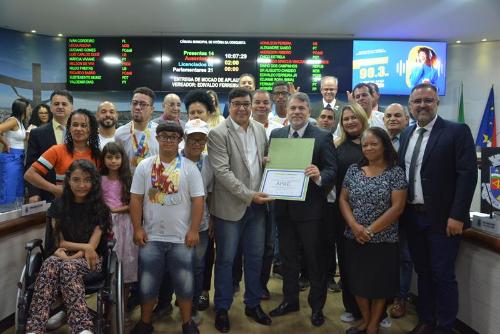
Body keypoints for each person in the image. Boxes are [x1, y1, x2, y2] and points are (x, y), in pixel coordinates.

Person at [399, 83, 477, 334]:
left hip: (444, 220)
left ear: (437, 103)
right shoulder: (407, 134)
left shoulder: (456, 131)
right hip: (412, 216)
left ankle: (445, 327)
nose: (422, 105)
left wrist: (457, 215)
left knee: (443, 275)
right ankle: (427, 320)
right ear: (410, 105)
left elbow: (467, 176)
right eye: (417, 101)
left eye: (428, 100)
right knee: (422, 272)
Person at [269, 92, 337, 328]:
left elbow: (332, 170)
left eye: (301, 108)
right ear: (286, 111)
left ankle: (317, 307)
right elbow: (272, 169)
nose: (297, 112)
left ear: (309, 111)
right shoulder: (276, 135)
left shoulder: (322, 136)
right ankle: (290, 301)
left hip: (311, 213)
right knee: (287, 260)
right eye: (293, 108)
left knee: (314, 261)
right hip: (283, 210)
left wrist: (319, 175)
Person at [130, 121, 205, 334]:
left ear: (180, 140)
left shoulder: (190, 168)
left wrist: (193, 230)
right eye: (164, 136)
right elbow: (135, 199)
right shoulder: (145, 166)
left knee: (185, 282)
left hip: (181, 238)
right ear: (158, 138)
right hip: (151, 237)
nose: (169, 140)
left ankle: (187, 323)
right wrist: (137, 228)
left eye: (173, 137)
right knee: (147, 281)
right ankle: (145, 322)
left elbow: (199, 201)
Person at [208, 87, 272, 332]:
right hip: (230, 209)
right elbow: (222, 173)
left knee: (255, 258)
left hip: (257, 208)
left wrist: (269, 163)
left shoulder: (258, 129)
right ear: (229, 106)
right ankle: (222, 308)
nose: (243, 108)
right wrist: (250, 195)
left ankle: (252, 304)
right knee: (225, 260)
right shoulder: (218, 133)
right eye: (237, 104)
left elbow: (262, 161)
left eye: (246, 103)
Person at [25, 159, 111, 334]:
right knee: (50, 264)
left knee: (67, 267)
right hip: (62, 255)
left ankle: (81, 328)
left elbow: (92, 247)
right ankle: (35, 328)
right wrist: (75, 251)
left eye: (87, 180)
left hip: (92, 260)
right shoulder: (58, 205)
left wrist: (72, 256)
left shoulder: (101, 209)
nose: (81, 185)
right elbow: (60, 242)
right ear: (68, 180)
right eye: (76, 180)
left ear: (94, 183)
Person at [339, 127, 407, 334]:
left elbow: (398, 207)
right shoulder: (353, 170)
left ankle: (374, 325)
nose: (368, 148)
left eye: (373, 144)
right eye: (365, 145)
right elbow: (343, 199)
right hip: (354, 237)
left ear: (384, 145)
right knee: (357, 283)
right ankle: (366, 321)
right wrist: (354, 226)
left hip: (383, 239)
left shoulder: (395, 172)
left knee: (379, 286)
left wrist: (369, 231)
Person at [334, 103, 369, 324]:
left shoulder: (373, 144)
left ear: (363, 119)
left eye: (354, 118)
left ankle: (377, 311)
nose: (350, 122)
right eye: (346, 119)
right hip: (343, 215)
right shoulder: (337, 146)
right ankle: (351, 307)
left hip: (373, 215)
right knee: (347, 264)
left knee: (371, 266)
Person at [180, 119, 214, 323]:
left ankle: (192, 307)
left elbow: (212, 193)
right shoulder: (174, 160)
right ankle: (179, 301)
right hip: (177, 225)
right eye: (192, 138)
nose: (196, 143)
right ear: (184, 139)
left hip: (201, 225)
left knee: (198, 266)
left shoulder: (209, 162)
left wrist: (213, 220)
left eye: (201, 139)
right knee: (179, 266)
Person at [24, 109, 100, 199]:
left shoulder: (97, 155)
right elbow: (29, 175)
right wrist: (55, 190)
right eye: (75, 125)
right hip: (63, 207)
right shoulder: (57, 150)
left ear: (91, 129)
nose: (78, 129)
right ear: (69, 128)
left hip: (91, 206)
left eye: (84, 125)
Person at [99, 142, 138, 320]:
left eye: (116, 157)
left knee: (126, 264)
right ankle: (108, 310)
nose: (113, 161)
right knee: (109, 266)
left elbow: (133, 205)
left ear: (122, 159)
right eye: (109, 157)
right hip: (106, 226)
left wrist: (115, 210)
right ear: (103, 159)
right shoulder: (100, 179)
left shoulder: (128, 179)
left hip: (125, 226)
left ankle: (121, 309)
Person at [382, 103, 412, 319]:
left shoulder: (412, 138)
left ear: (407, 118)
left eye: (397, 115)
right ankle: (383, 295)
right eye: (388, 115)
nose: (392, 119)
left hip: (409, 207)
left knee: (404, 256)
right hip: (382, 208)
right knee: (385, 254)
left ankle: (401, 297)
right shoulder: (379, 141)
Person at [26, 89, 73, 203]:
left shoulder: (81, 132)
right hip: (48, 191)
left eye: (64, 104)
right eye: (56, 104)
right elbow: (31, 164)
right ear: (51, 107)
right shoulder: (37, 133)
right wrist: (34, 193)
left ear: (71, 107)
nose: (60, 107)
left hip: (77, 191)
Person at [115, 87, 159, 173]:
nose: (138, 107)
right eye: (135, 103)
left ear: (152, 109)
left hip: (153, 184)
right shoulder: (119, 134)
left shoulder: (160, 133)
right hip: (128, 184)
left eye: (143, 104)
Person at [0, 98, 31, 208]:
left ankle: (14, 215)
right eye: (29, 108)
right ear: (23, 109)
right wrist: (6, 143)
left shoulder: (21, 123)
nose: (30, 110)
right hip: (11, 157)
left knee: (18, 187)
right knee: (9, 187)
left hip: (19, 158)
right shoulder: (12, 120)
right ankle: (4, 215)